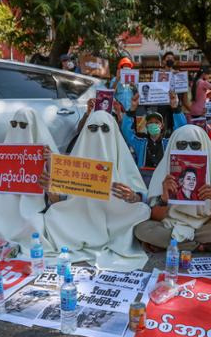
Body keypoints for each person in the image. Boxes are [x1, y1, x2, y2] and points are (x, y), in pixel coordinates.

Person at [43, 110, 150, 271]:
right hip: (80, 215)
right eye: (92, 129)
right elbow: (63, 199)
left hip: (114, 216)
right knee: (53, 215)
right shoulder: (76, 158)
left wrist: (133, 196)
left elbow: (140, 193)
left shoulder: (121, 154)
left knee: (143, 210)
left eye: (105, 129)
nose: (98, 135)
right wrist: (53, 194)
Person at [135, 125, 211, 253]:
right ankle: (200, 246)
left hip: (203, 225)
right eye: (182, 145)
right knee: (142, 229)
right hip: (170, 224)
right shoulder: (163, 172)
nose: (188, 149)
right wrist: (164, 198)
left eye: (195, 145)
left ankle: (173, 245)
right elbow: (155, 217)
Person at [0, 108, 58, 255]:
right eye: (14, 124)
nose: (18, 129)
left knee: (34, 223)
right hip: (1, 206)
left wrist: (49, 162)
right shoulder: (3, 152)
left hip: (30, 208)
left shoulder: (49, 155)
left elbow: (57, 196)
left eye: (23, 126)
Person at [122, 91, 186, 170]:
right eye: (150, 122)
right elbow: (126, 131)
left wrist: (175, 107)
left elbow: (181, 131)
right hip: (144, 178)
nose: (153, 124)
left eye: (156, 122)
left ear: (162, 126)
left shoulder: (169, 143)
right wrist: (132, 108)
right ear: (146, 126)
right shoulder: (140, 143)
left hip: (163, 178)